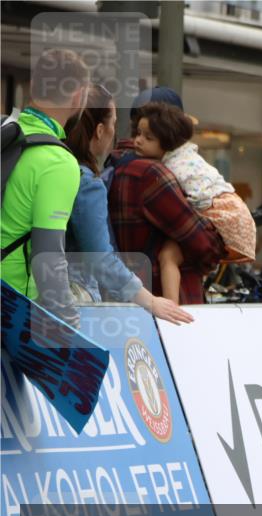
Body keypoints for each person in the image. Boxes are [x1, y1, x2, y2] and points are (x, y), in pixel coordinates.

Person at [62, 83, 191, 325]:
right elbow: (100, 257)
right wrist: (149, 300)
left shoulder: (53, 165)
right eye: (113, 123)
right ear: (100, 131)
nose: (115, 132)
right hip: (75, 302)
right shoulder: (86, 181)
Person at [131, 102, 256, 303]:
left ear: (167, 141)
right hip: (229, 209)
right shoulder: (184, 158)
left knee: (168, 257)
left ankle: (171, 308)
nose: (138, 141)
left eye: (148, 138)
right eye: (138, 133)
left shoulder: (172, 168)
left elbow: (194, 203)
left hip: (219, 212)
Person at [108, 90, 225, 305]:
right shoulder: (152, 173)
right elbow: (204, 245)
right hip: (168, 303)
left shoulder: (113, 165)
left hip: (130, 298)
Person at [1, 49, 89, 328]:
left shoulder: (6, 129)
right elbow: (47, 256)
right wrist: (68, 321)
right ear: (78, 97)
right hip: (9, 308)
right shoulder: (58, 161)